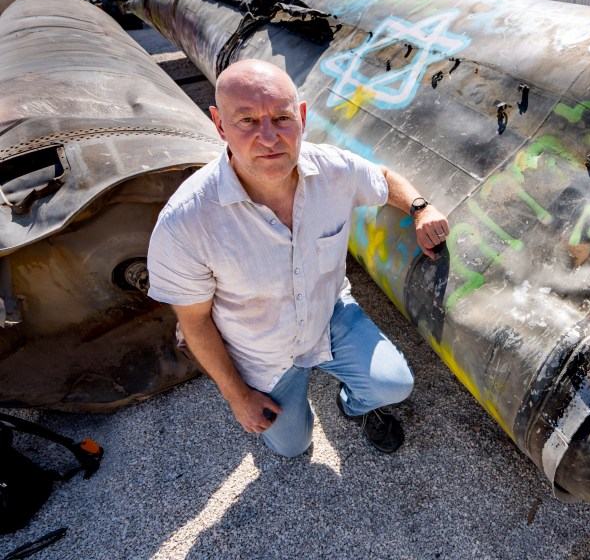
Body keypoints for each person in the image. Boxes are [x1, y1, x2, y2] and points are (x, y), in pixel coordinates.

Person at [147, 59, 449, 457]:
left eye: (281, 117)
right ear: (220, 125)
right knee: (293, 446)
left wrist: (420, 208)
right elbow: (195, 322)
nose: (269, 137)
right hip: (261, 352)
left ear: (302, 117)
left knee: (392, 385)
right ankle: (295, 406)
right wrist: (238, 395)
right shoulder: (186, 220)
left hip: (328, 316)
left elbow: (385, 178)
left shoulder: (333, 169)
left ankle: (351, 405)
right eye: (248, 121)